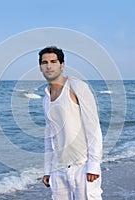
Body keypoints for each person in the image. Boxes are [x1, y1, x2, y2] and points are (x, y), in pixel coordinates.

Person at [39, 46, 103, 199]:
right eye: (44, 62)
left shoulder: (77, 87)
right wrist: (48, 170)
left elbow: (93, 127)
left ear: (62, 65)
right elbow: (50, 137)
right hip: (58, 168)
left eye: (53, 61)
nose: (49, 66)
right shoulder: (46, 98)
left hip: (82, 166)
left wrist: (93, 166)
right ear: (40, 67)